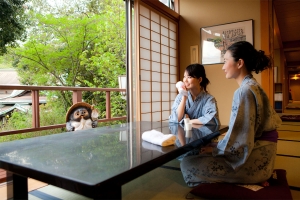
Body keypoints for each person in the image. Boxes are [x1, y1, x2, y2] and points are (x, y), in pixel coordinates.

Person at [180, 41, 282, 187]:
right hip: (264, 156)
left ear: (239, 63)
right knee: (202, 151)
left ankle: (248, 182)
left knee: (187, 164)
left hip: (256, 163)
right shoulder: (252, 85)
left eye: (226, 61)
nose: (223, 67)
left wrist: (215, 151)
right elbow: (241, 135)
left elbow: (240, 141)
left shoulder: (244, 91)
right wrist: (216, 147)